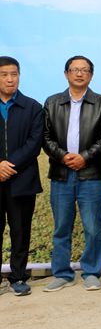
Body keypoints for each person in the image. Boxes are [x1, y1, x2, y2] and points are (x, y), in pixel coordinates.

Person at [42, 56, 101, 292]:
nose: (79, 74)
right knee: (61, 227)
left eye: (84, 70)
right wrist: (63, 156)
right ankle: (62, 273)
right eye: (75, 70)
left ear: (91, 75)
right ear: (66, 74)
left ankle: (91, 272)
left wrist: (85, 157)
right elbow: (45, 136)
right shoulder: (52, 102)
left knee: (92, 227)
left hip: (91, 173)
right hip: (61, 174)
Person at [0, 57, 43, 296]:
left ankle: (18, 277)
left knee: (20, 231)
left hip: (22, 179)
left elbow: (34, 143)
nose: (10, 79)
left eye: (14, 74)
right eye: (4, 74)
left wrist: (9, 165)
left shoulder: (32, 107)